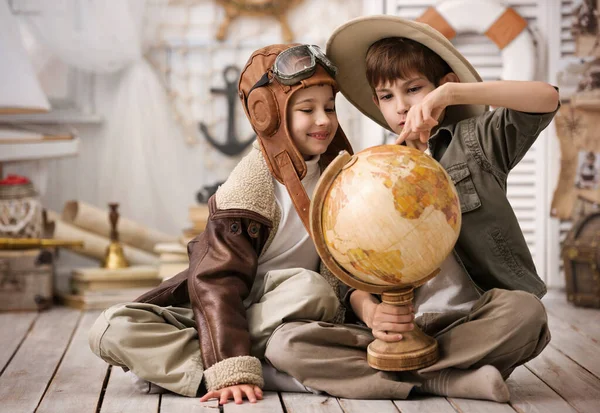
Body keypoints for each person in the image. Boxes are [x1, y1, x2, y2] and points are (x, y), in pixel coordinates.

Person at [263, 15, 559, 403]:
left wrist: (451, 97)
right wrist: (370, 312)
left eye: (414, 89)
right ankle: (447, 381)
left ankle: (401, 377)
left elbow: (547, 97)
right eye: (387, 96)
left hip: (473, 323)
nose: (401, 106)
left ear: (443, 85)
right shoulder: (369, 169)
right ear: (376, 103)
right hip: (398, 330)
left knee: (527, 315)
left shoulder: (477, 143)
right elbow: (352, 268)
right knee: (286, 343)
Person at [88, 43, 354, 405]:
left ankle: (179, 370)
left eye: (329, 108)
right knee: (108, 329)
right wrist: (231, 365)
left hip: (293, 307)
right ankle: (242, 368)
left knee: (314, 289)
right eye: (307, 109)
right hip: (227, 308)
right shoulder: (248, 186)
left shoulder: (343, 173)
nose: (323, 120)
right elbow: (216, 283)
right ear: (267, 114)